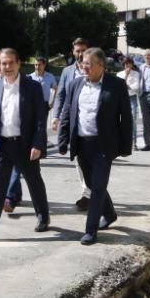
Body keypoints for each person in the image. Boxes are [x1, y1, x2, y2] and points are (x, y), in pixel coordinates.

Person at [0, 48, 50, 244]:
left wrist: (38, 144)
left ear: (18, 64)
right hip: (2, 145)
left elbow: (41, 119)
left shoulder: (32, 87)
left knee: (34, 181)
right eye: (3, 63)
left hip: (25, 145)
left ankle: (43, 216)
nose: (6, 67)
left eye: (10, 63)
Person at [57, 47, 133, 246]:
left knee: (98, 186)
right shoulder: (75, 85)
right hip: (82, 143)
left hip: (103, 145)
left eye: (88, 64)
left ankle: (91, 230)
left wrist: (125, 146)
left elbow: (126, 117)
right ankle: (110, 214)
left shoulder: (115, 85)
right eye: (82, 63)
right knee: (91, 184)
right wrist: (63, 139)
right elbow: (68, 112)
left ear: (101, 66)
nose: (84, 67)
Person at [4, 56, 57, 213]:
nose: (37, 67)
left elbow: (55, 88)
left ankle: (41, 213)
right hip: (13, 138)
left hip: (42, 107)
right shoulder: (29, 79)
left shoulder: (48, 78)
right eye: (35, 65)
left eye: (39, 64)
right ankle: (11, 197)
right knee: (14, 169)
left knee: (32, 176)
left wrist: (52, 101)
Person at [52, 37, 93, 210]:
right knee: (78, 158)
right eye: (77, 50)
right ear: (73, 51)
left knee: (92, 159)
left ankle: (91, 193)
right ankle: (87, 192)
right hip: (73, 122)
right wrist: (56, 116)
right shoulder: (68, 71)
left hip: (90, 121)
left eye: (83, 50)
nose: (80, 54)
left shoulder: (94, 68)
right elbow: (60, 94)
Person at [116, 57, 142, 150]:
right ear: (123, 64)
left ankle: (133, 143)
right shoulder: (119, 74)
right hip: (121, 99)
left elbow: (136, 87)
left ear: (132, 64)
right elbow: (119, 87)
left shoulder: (136, 74)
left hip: (132, 98)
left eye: (129, 63)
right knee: (120, 120)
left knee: (133, 120)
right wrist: (126, 76)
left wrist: (127, 85)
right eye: (126, 63)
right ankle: (121, 142)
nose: (127, 65)